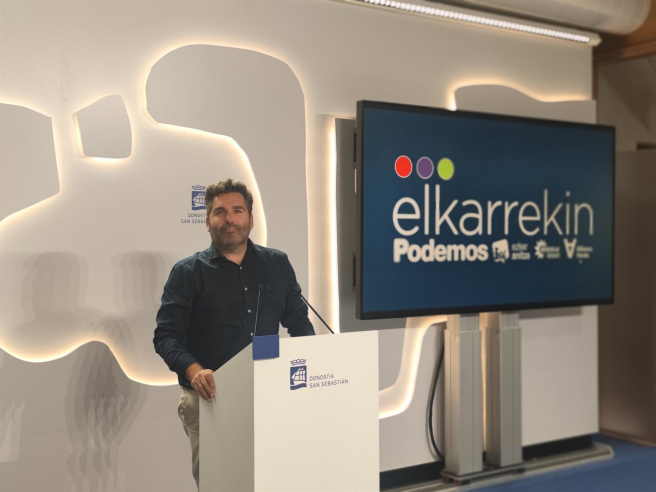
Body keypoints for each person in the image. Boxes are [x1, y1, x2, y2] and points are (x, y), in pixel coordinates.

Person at [153, 179, 315, 488]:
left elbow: (298, 321)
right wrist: (194, 370)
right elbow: (166, 336)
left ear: (250, 219)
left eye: (237, 211)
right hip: (210, 399)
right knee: (220, 485)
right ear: (207, 221)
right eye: (220, 212)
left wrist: (313, 357)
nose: (229, 219)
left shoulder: (277, 264)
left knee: (273, 481)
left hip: (269, 395)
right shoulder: (187, 273)